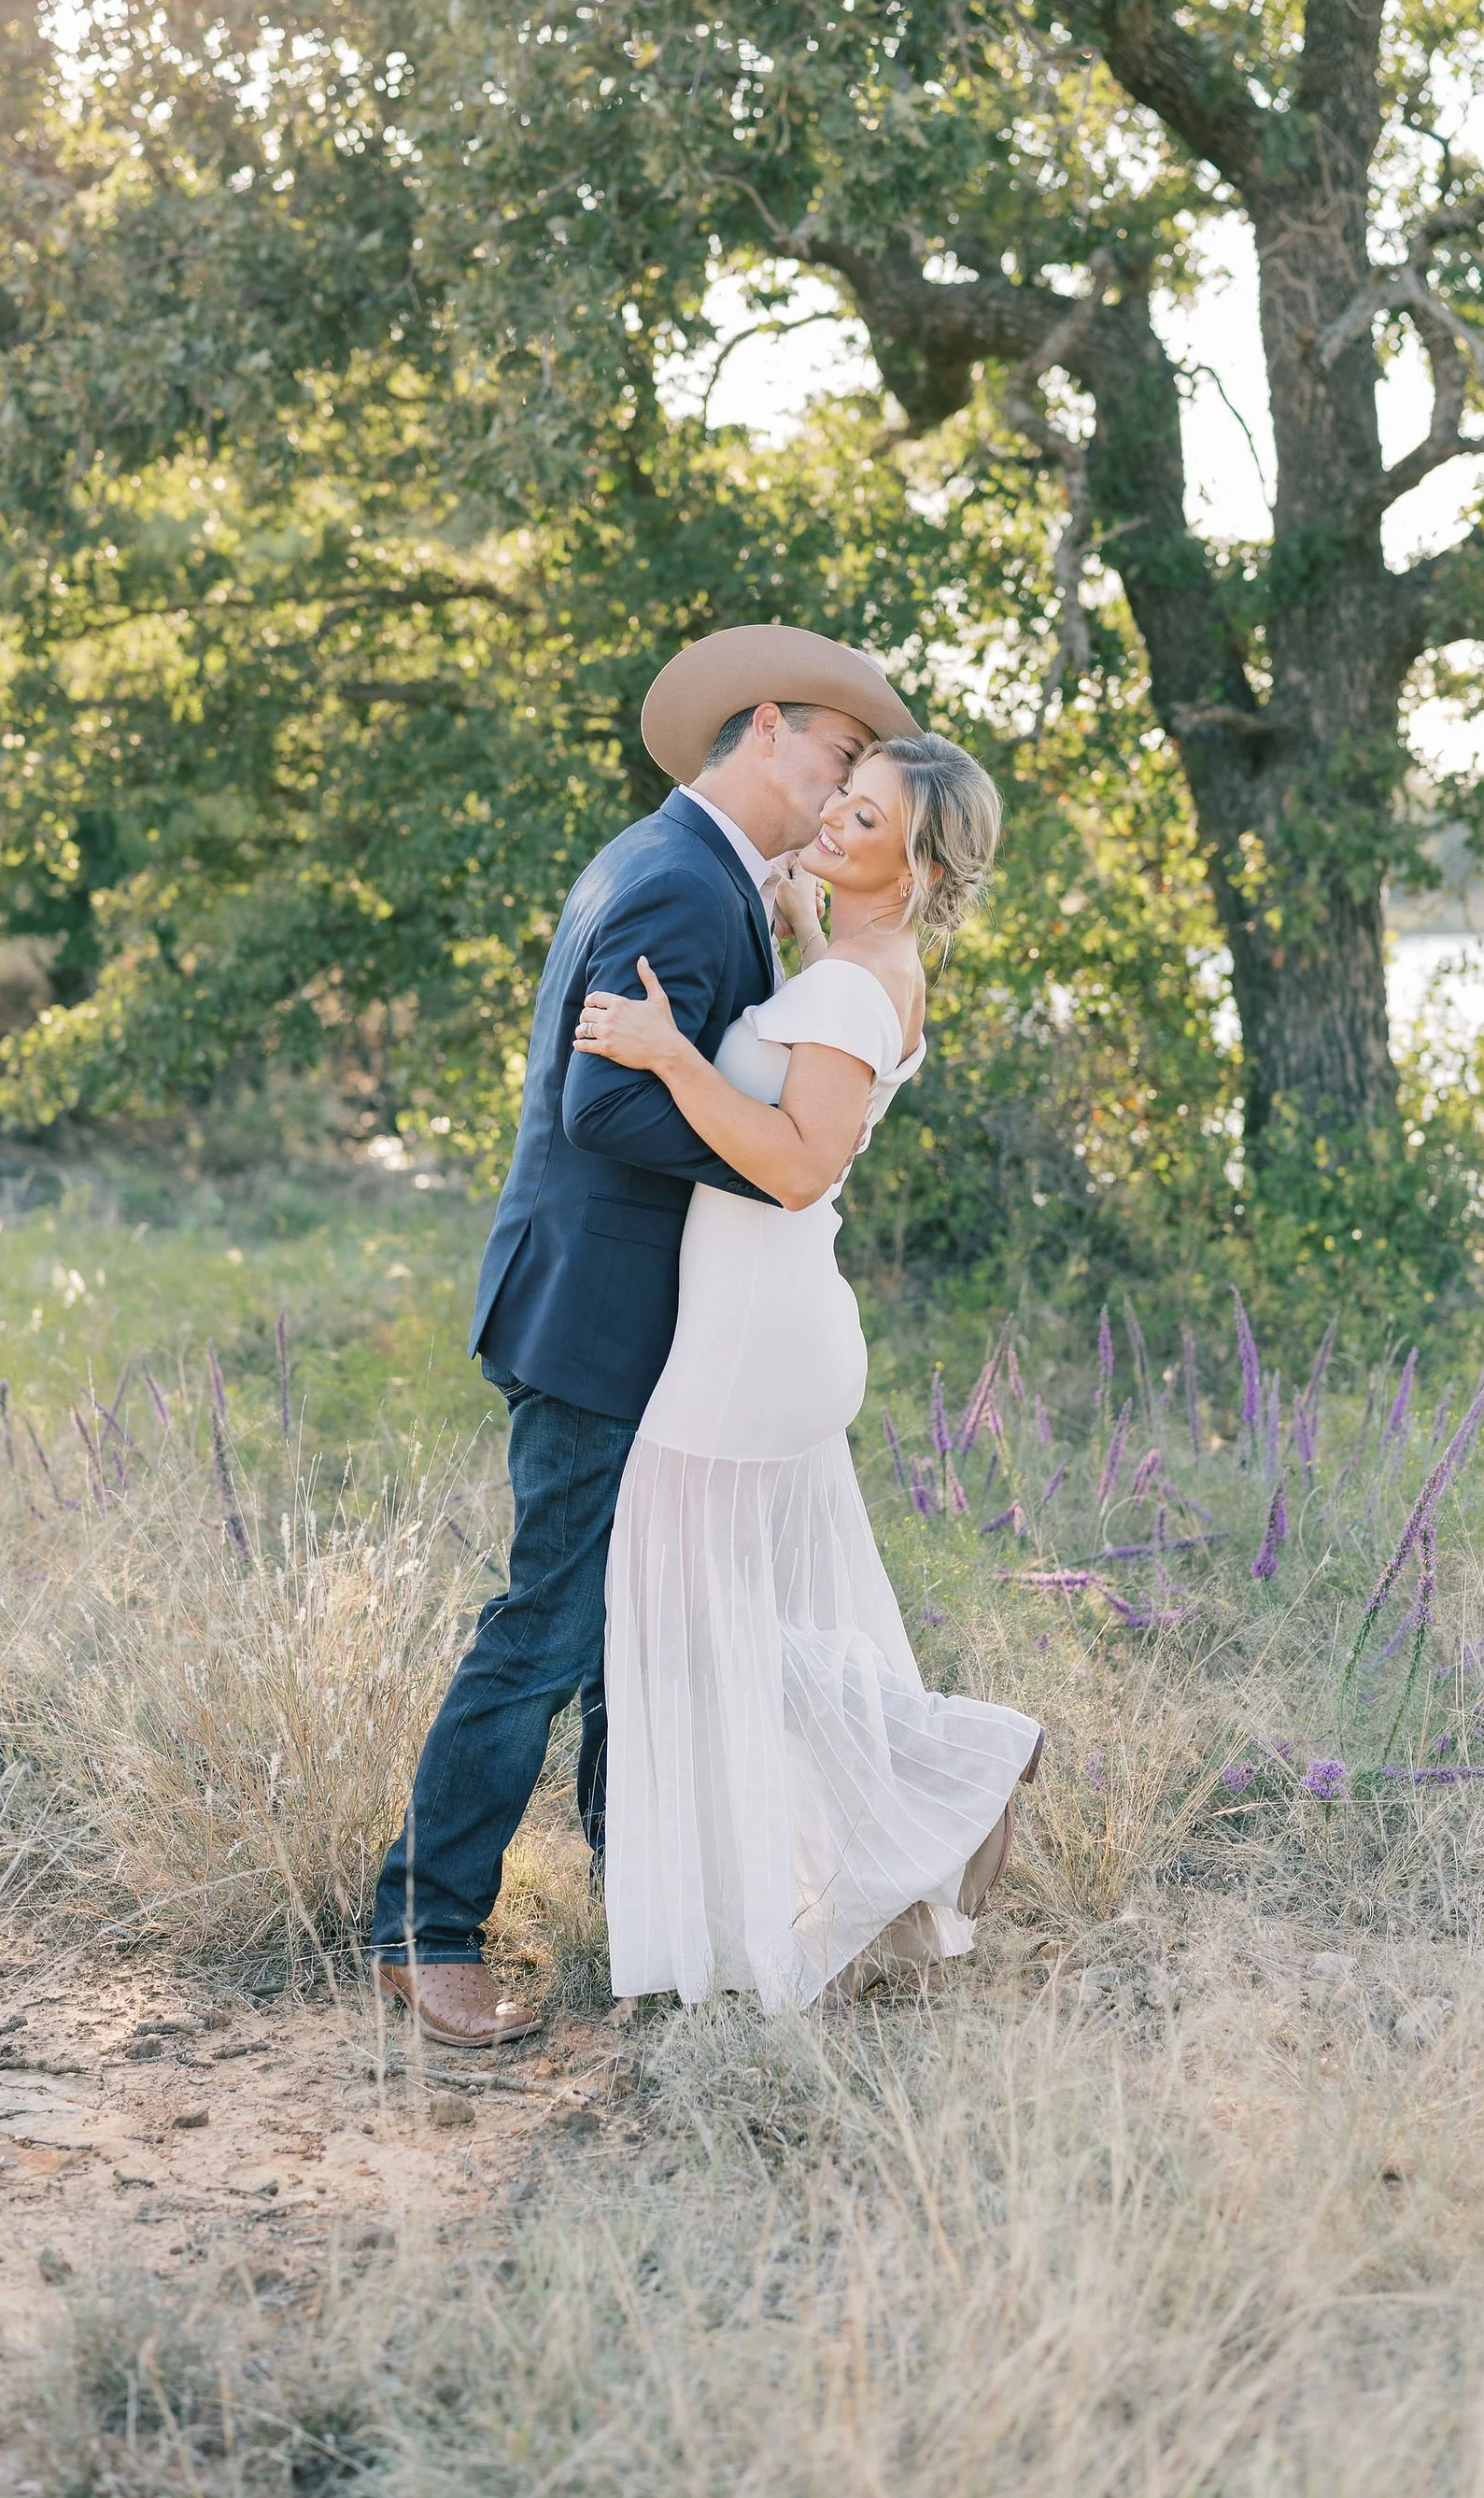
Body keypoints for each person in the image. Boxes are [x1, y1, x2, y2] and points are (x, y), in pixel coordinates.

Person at [368, 623, 922, 2048]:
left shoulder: (703, 872)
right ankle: (425, 1928)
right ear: (764, 728)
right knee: (550, 1629)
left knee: (640, 1639)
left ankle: (654, 1928)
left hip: (640, 1319)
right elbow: (601, 1107)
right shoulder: (677, 879)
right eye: (840, 756)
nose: (843, 787)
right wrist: (799, 1171)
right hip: (596, 1314)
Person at [575, 725, 1043, 2009]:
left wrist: (671, 1054)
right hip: (768, 1331)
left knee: (688, 1614)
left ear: (922, 868)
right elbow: (807, 1061)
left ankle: (960, 1759)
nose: (836, 819)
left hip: (754, 1338)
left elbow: (794, 1167)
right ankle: (921, 1789)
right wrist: (793, 905)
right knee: (750, 1617)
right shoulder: (860, 961)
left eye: (871, 822)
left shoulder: (851, 984)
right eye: (846, 795)